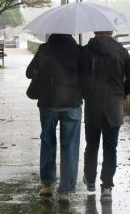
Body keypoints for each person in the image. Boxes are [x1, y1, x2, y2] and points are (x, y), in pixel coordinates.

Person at [80, 31, 130, 202]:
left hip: (92, 105)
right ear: (111, 31)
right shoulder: (121, 50)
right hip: (113, 107)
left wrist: (86, 93)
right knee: (110, 148)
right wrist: (121, 93)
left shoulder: (86, 51)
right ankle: (107, 187)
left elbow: (80, 78)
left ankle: (90, 181)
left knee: (91, 146)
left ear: (95, 31)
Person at [26, 34, 83, 204]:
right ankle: (65, 191)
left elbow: (29, 73)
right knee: (70, 146)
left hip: (48, 103)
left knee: (48, 142)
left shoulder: (45, 49)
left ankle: (47, 185)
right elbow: (87, 75)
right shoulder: (78, 50)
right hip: (72, 104)